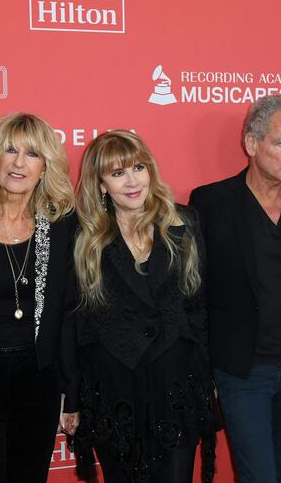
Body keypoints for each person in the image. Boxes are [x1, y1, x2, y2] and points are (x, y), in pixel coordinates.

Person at [189, 93, 281, 483]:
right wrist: (205, 371)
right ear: (252, 144)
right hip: (242, 371)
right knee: (259, 475)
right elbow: (196, 293)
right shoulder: (211, 202)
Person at [72, 130, 218, 483]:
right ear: (101, 184)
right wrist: (72, 392)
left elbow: (197, 303)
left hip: (176, 382)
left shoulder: (184, 221)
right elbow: (78, 321)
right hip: (113, 385)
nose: (132, 181)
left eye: (138, 168)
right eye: (118, 173)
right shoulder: (83, 235)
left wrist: (208, 374)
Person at [0, 112, 80, 482]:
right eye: (10, 150)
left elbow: (68, 313)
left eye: (33, 153)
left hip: (37, 381)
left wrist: (71, 392)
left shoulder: (61, 224)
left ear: (46, 166)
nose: (19, 162)